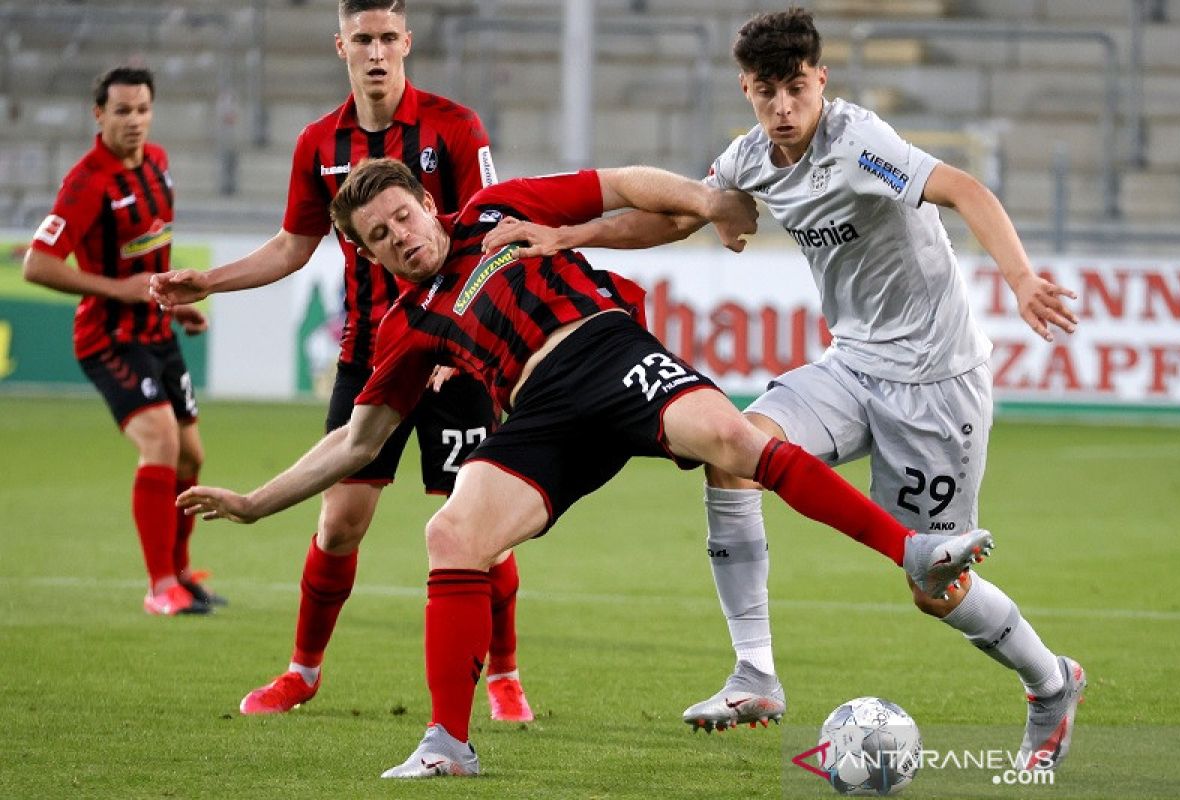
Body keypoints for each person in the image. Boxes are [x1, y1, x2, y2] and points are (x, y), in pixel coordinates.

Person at [177, 156, 995, 779]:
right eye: (381, 236)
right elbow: (357, 443)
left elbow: (620, 182)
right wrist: (254, 504)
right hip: (540, 421)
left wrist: (709, 201)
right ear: (365, 253)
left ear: (428, 204)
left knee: (736, 443)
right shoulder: (405, 325)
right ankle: (447, 744)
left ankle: (912, 549)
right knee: (452, 531)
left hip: (605, 351)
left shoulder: (500, 206)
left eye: (404, 216)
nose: (402, 237)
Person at [480, 7, 1085, 772]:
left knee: (937, 588)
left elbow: (962, 188)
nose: (784, 108)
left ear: (820, 81)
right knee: (734, 447)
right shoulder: (750, 160)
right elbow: (676, 220)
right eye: (767, 92)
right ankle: (755, 674)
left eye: (797, 88)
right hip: (852, 364)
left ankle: (1051, 682)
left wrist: (1022, 277)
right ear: (748, 91)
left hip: (936, 384)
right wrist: (570, 236)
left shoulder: (861, 144)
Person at [148, 0, 530, 720]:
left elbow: (487, 233)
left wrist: (466, 337)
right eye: (364, 39)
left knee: (479, 525)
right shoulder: (318, 142)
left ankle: (506, 675)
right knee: (339, 523)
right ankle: (302, 672)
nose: (377, 51)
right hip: (370, 353)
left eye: (389, 37)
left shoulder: (454, 126)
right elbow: (293, 246)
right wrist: (210, 281)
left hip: (457, 353)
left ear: (407, 42)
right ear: (342, 47)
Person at [23, 66, 219, 616]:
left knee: (191, 454)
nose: (134, 121)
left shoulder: (158, 164)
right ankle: (160, 588)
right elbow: (38, 265)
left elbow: (147, 260)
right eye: (122, 111)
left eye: (142, 110)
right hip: (107, 338)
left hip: (157, 331)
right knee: (160, 440)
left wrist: (174, 307)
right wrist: (119, 289)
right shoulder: (87, 183)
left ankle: (180, 572)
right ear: (99, 115)